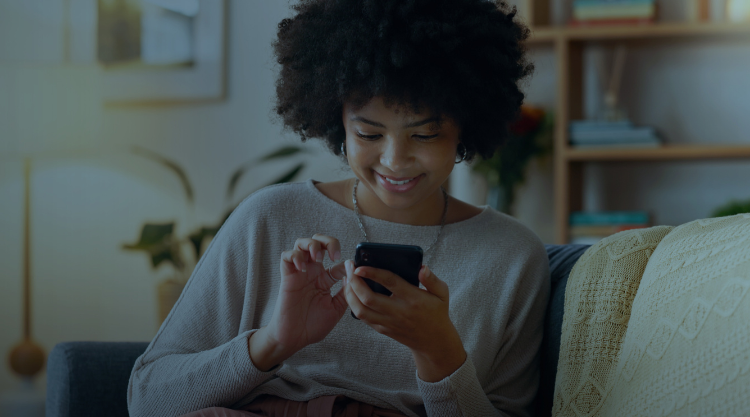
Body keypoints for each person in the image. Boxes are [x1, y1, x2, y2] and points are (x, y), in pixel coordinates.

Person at [127, 0, 548, 416]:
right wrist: (274, 341)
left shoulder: (512, 256)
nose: (395, 161)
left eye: (425, 135)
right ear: (338, 125)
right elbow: (148, 400)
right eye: (368, 134)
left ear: (465, 127)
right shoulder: (267, 218)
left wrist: (440, 354)